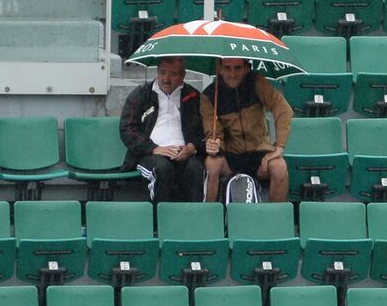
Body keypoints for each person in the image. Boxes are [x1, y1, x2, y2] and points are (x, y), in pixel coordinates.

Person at [202, 57, 293, 203]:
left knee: (280, 167)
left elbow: (283, 109)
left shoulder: (257, 82)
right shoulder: (208, 95)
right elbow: (212, 130)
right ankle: (210, 217)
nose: (232, 74)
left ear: (246, 68)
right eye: (227, 68)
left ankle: (275, 220)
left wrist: (279, 147)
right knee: (211, 164)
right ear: (219, 69)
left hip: (259, 154)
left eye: (237, 68)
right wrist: (215, 145)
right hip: (231, 156)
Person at [120, 56, 206, 203]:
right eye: (162, 72)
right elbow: (127, 129)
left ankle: (193, 220)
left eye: (172, 74)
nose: (166, 79)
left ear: (182, 76)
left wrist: (192, 147)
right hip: (150, 154)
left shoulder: (193, 96)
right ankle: (158, 221)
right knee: (162, 169)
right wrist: (153, 148)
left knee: (196, 169)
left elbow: (205, 131)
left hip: (185, 153)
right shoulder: (141, 94)